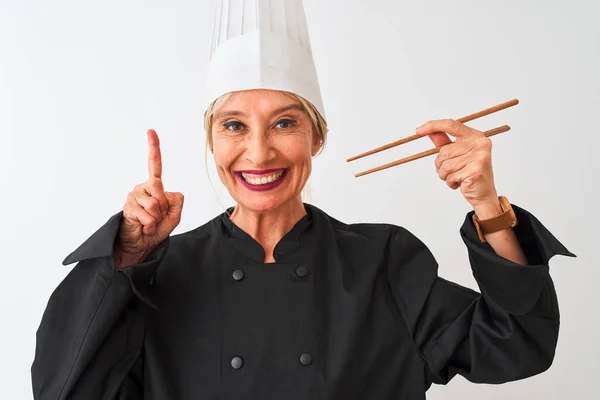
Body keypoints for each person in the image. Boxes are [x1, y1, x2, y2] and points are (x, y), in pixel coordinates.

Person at [31, 0, 575, 399]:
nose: (259, 151)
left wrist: (487, 204)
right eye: (234, 126)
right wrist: (126, 254)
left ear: (316, 137)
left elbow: (519, 343)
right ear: (212, 141)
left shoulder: (380, 261)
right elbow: (64, 388)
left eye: (284, 123)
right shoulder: (161, 272)